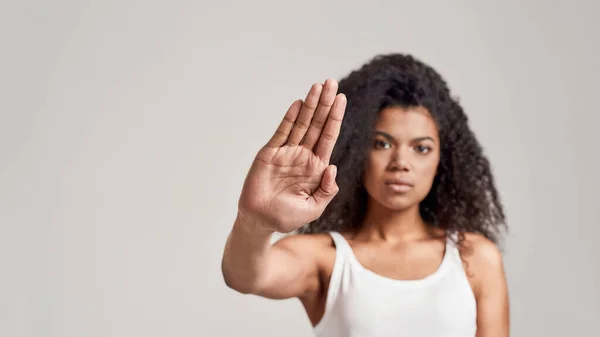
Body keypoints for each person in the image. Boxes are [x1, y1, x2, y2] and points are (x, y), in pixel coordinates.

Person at [221, 53, 509, 337]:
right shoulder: (328, 258)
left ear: (441, 162)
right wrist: (254, 222)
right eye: (382, 144)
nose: (401, 162)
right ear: (358, 152)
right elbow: (245, 277)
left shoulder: (474, 258)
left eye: (421, 148)